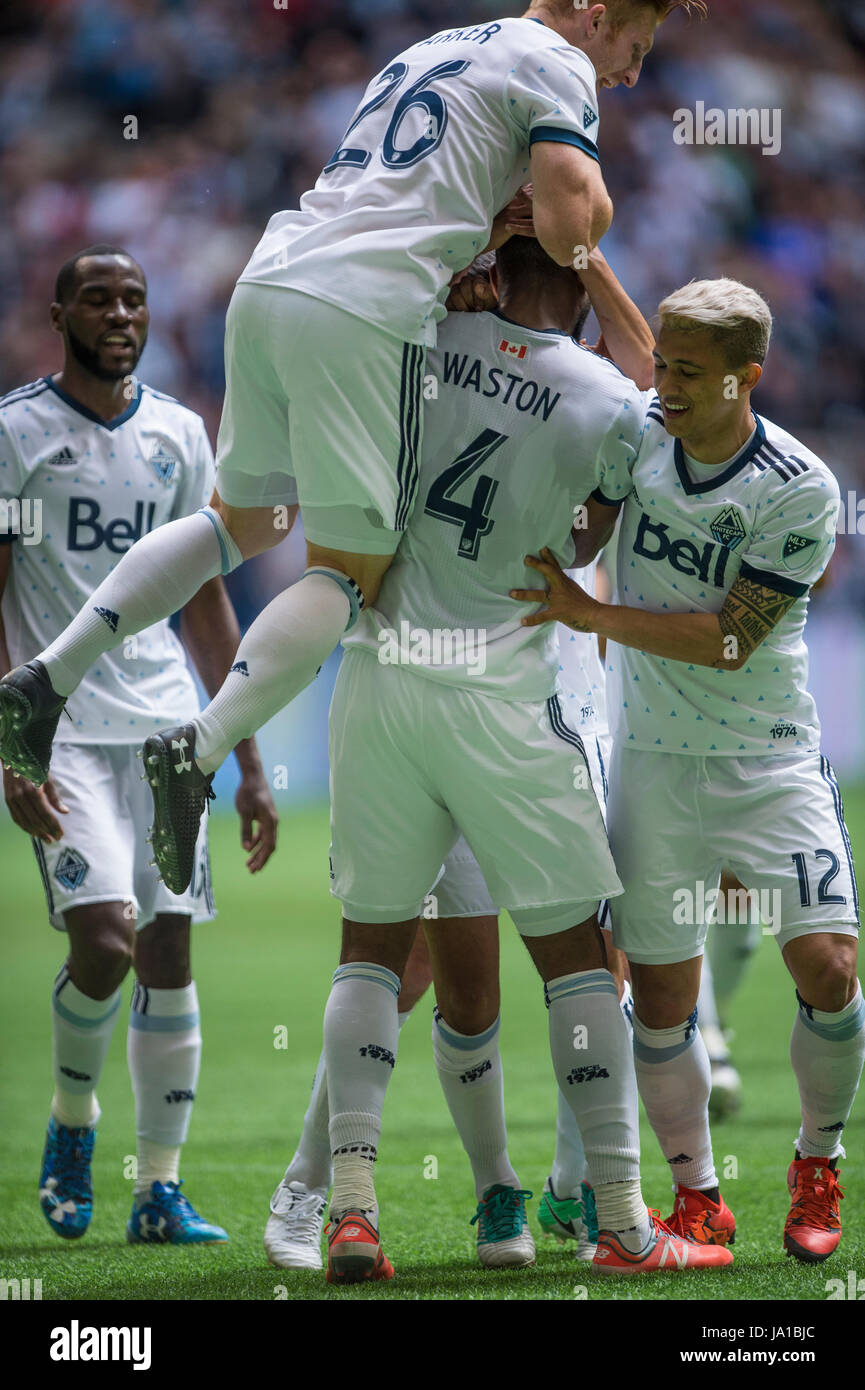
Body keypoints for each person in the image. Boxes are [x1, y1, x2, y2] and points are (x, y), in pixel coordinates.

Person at [0, 1, 703, 896]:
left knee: (237, 523)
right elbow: (572, 233)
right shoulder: (554, 64)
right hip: (362, 311)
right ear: (595, 14)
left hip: (272, 278)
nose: (632, 75)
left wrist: (486, 225)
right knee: (345, 573)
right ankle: (195, 751)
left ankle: (45, 677)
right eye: (633, 49)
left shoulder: (432, 47)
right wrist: (559, 211)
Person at [312, 233, 732, 1283]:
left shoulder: (411, 342)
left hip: (380, 675)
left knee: (368, 949)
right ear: (580, 291)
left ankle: (353, 1209)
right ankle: (625, 1223)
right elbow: (640, 448)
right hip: (506, 694)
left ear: (485, 270)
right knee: (574, 958)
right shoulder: (600, 390)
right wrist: (595, 273)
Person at [513, 278, 862, 1263]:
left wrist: (592, 617)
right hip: (654, 766)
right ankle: (695, 1195)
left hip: (770, 761)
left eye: (686, 372)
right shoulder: (641, 433)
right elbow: (624, 372)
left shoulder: (797, 486)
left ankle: (815, 1158)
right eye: (659, 364)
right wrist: (583, 261)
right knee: (662, 1001)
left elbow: (726, 642)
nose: (661, 384)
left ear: (747, 378)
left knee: (829, 969)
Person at [0, 246, 278, 1244]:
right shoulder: (17, 433)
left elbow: (203, 596)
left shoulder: (177, 436)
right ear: (59, 311)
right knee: (106, 942)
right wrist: (11, 740)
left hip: (167, 728)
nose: (120, 313)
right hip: (65, 729)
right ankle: (74, 1124)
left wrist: (243, 751)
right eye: (98, 298)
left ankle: (158, 1191)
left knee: (167, 949)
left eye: (134, 299)